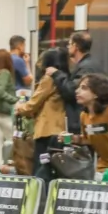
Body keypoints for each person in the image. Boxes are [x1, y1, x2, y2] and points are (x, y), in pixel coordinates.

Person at [16, 48, 69, 184]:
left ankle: (41, 200)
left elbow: (33, 103)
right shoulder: (64, 76)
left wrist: (19, 108)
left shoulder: (48, 79)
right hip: (59, 129)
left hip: (46, 130)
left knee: (41, 170)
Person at [51, 31, 102, 133]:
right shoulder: (87, 64)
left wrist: (57, 74)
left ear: (75, 46)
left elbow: (72, 91)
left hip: (82, 121)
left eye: (69, 44)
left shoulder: (86, 67)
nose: (68, 47)